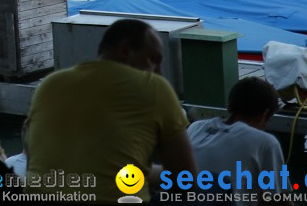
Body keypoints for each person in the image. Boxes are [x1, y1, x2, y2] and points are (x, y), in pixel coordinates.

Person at [25, 18, 196, 203]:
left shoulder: (49, 84)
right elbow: (185, 179)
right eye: (153, 60)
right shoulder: (153, 86)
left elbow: (30, 154)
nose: (159, 72)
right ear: (125, 51)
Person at [186, 77, 285, 196]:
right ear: (265, 114)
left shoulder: (194, 128)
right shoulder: (266, 142)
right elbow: (279, 200)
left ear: (230, 106)